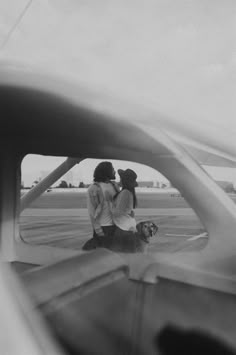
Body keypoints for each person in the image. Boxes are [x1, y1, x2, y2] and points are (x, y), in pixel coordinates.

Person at [85, 161, 120, 249]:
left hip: (116, 227)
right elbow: (91, 211)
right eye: (112, 169)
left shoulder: (114, 185)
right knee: (102, 256)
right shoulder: (93, 188)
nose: (114, 171)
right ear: (106, 171)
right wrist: (98, 230)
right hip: (103, 228)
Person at [107, 168, 138, 251]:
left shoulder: (125, 193)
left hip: (123, 230)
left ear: (124, 180)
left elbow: (117, 213)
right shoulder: (126, 192)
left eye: (121, 178)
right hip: (127, 228)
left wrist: (110, 208)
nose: (119, 179)